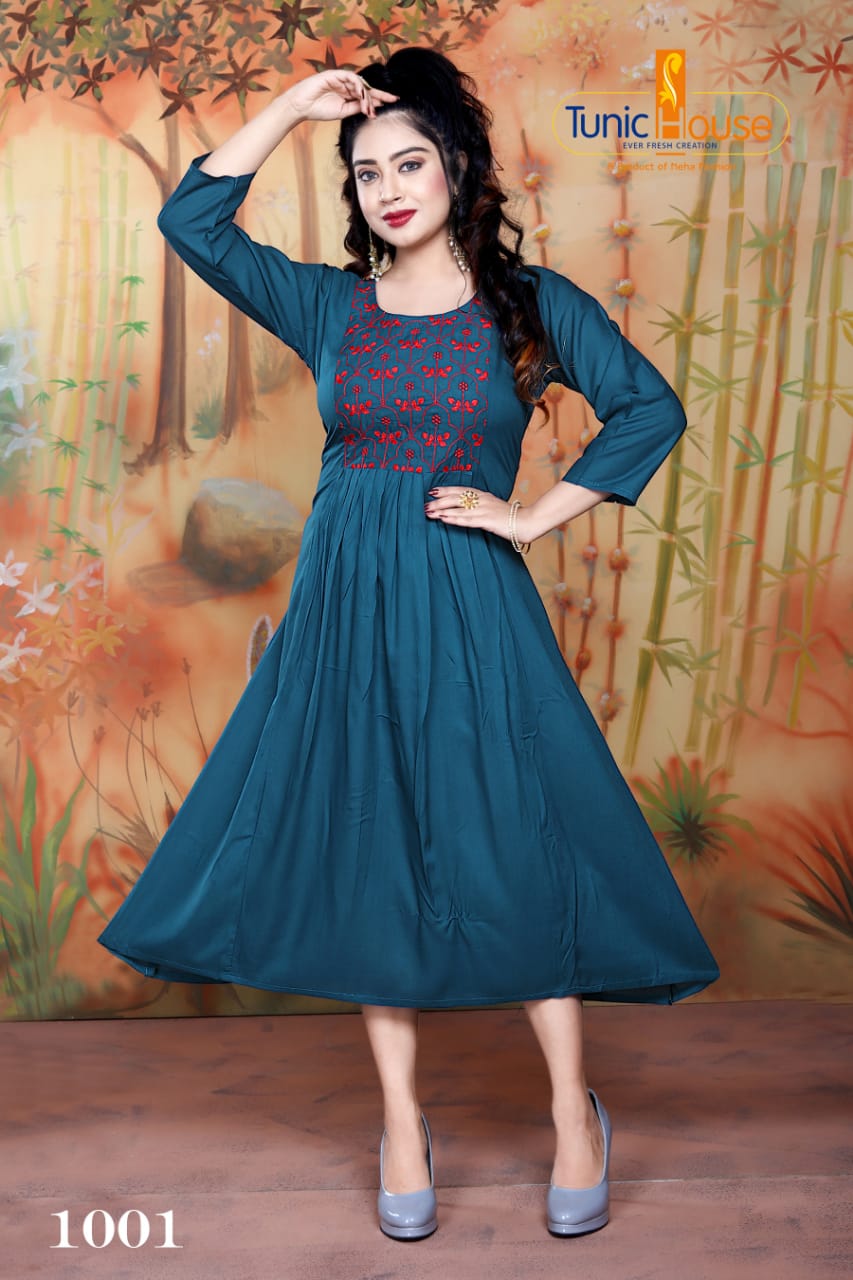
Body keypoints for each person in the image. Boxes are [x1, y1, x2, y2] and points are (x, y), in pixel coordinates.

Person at [97, 47, 719, 1242]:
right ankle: (399, 1120)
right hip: (344, 612)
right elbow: (192, 221)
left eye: (409, 162)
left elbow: (649, 405)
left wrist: (534, 516)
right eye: (366, 170)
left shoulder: (529, 307)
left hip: (472, 603)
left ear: (458, 168)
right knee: (371, 846)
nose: (387, 188)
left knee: (516, 840)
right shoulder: (330, 306)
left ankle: (572, 1112)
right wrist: (295, 105)